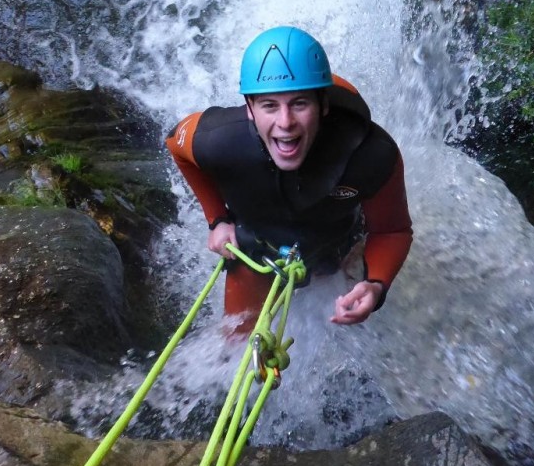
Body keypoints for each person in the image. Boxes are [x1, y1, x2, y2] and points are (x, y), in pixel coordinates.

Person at [165, 25, 412, 333]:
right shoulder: (219, 139)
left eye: (300, 104)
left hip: (338, 243)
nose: (285, 123)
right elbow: (176, 146)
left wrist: (375, 286)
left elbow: (392, 230)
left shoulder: (369, 154)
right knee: (235, 346)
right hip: (258, 246)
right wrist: (217, 220)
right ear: (250, 109)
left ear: (323, 105)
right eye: (269, 105)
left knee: (349, 322)